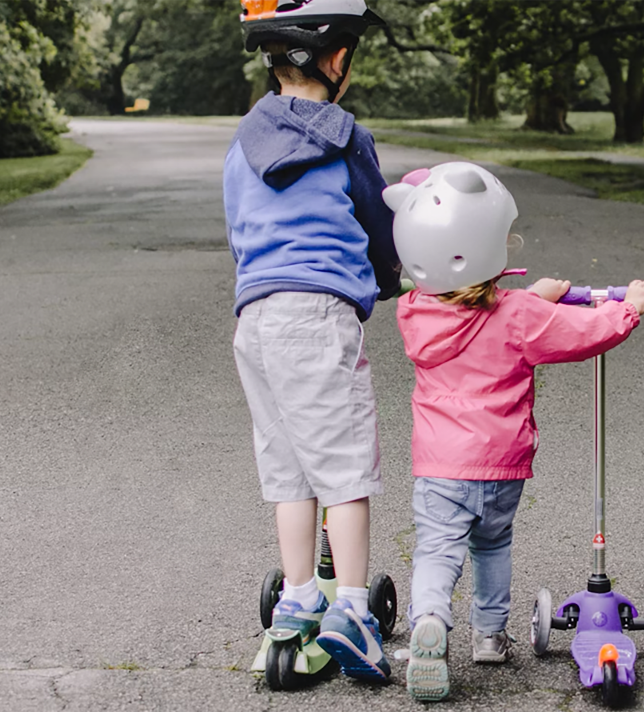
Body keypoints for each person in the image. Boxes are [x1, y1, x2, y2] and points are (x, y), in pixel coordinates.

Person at [383, 162, 644, 701]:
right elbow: (581, 333)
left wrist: (534, 294)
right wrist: (628, 308)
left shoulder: (416, 312)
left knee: (438, 550)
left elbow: (474, 308)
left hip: (440, 464)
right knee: (493, 545)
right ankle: (488, 637)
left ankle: (431, 621)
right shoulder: (518, 315)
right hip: (501, 464)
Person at [224, 0, 400, 683]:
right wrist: (389, 278)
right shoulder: (344, 134)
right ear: (335, 60)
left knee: (288, 467)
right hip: (317, 314)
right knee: (344, 465)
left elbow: (240, 227)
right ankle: (352, 607)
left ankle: (298, 597)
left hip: (256, 319)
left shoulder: (243, 140)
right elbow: (377, 219)